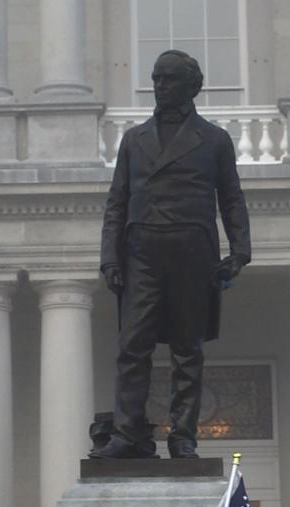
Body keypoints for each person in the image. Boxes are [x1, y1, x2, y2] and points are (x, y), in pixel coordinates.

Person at [90, 49, 251, 461]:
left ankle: (183, 435)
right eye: (156, 79)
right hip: (141, 250)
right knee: (132, 346)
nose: (160, 86)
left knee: (187, 348)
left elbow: (231, 199)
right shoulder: (134, 139)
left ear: (192, 86)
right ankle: (127, 434)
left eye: (169, 79)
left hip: (191, 251)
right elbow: (117, 203)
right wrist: (110, 257)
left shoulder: (214, 139)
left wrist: (240, 249)